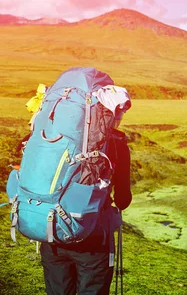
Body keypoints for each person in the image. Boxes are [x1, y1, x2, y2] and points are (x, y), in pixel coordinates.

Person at [39, 106, 132, 295]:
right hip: (94, 240)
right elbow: (123, 199)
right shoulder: (116, 143)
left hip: (53, 232)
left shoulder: (52, 138)